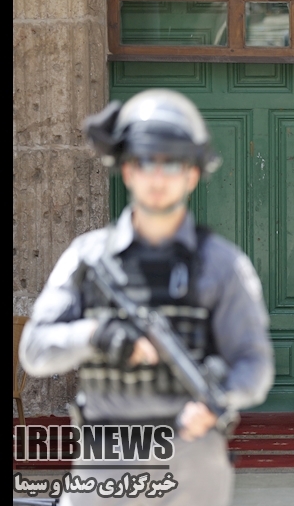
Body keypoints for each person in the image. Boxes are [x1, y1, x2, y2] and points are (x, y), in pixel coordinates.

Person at [19, 88, 275, 506]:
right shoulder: (88, 257)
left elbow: (254, 363)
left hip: (192, 460)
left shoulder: (221, 264)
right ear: (126, 171)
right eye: (144, 162)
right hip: (107, 459)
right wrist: (97, 335)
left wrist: (221, 399)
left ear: (192, 174)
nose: (158, 177)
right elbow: (34, 351)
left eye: (172, 163)